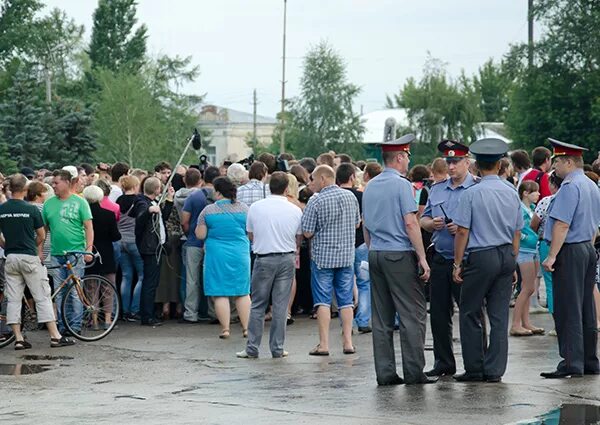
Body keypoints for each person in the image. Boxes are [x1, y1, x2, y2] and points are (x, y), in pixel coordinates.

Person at [362, 134, 434, 386]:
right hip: (399, 253)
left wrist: (374, 250)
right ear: (400, 157)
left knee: (381, 318)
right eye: (407, 157)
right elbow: (410, 222)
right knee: (411, 314)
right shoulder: (402, 186)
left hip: (376, 253)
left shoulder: (370, 186)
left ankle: (385, 373)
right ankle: (414, 372)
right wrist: (422, 257)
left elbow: (366, 227)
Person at [452, 138, 522, 383]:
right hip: (505, 254)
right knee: (500, 315)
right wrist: (512, 260)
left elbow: (462, 232)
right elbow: (516, 231)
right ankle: (495, 370)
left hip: (481, 256)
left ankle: (474, 367)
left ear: (476, 166)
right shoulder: (511, 192)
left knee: (470, 311)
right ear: (501, 164)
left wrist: (457, 263)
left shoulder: (472, 193)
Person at [540, 138, 600, 379]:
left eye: (557, 162)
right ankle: (589, 360)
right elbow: (595, 224)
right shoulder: (590, 185)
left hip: (571, 249)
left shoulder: (569, 186)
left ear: (567, 161)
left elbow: (562, 224)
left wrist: (552, 256)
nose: (555, 168)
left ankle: (571, 362)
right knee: (586, 306)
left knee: (569, 306)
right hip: (587, 247)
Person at [420, 140, 477, 377]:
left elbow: (484, 225)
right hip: (442, 258)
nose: (451, 167)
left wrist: (464, 230)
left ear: (467, 162)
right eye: (448, 162)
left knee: (470, 314)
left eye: (456, 162)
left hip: (467, 260)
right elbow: (422, 219)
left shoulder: (476, 188)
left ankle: (475, 363)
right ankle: (444, 362)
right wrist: (431, 224)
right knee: (440, 315)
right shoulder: (437, 189)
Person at [0, 174, 74, 349]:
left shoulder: (2, 209)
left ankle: (18, 339)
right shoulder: (31, 209)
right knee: (42, 296)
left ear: (10, 189)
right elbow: (41, 235)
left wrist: (8, 245)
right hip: (29, 256)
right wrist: (32, 245)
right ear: (25, 189)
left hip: (10, 257)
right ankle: (55, 336)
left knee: (13, 299)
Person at [236, 172, 302, 359]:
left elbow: (250, 234)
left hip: (264, 257)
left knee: (258, 304)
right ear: (287, 188)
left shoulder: (256, 208)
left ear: (268, 186)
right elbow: (298, 237)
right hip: (286, 257)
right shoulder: (294, 210)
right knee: (280, 306)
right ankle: (277, 348)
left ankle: (252, 348)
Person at [302, 165, 360, 357]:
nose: (310, 183)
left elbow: (307, 232)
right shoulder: (350, 196)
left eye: (313, 179)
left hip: (323, 258)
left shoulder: (316, 201)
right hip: (346, 256)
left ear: (323, 179)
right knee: (346, 301)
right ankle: (348, 342)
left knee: (323, 301)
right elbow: (357, 223)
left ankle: (324, 344)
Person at [196, 177, 250, 339]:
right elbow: (250, 231)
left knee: (220, 293)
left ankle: (225, 329)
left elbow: (200, 234)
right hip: (240, 252)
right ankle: (247, 328)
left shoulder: (208, 211)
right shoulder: (244, 209)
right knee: (242, 292)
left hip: (216, 254)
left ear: (218, 192)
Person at [43, 169, 94, 335]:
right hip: (57, 253)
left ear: (66, 182)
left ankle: (75, 326)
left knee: (74, 291)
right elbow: (43, 230)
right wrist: (40, 251)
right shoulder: (49, 204)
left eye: (56, 183)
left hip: (76, 252)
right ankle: (63, 326)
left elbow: (88, 227)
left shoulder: (80, 202)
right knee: (59, 292)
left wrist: (88, 249)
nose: (54, 186)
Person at [132, 177, 174, 327]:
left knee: (153, 282)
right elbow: (141, 217)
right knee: (150, 283)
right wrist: (149, 210)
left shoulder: (153, 202)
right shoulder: (142, 202)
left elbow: (163, 218)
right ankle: (147, 315)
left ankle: (148, 313)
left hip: (156, 246)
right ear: (156, 190)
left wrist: (169, 200)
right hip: (150, 248)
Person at [336, 163, 371, 333]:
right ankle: (363, 320)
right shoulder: (362, 196)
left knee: (345, 284)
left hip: (342, 245)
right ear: (352, 177)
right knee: (364, 283)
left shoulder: (334, 196)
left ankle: (346, 320)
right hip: (361, 243)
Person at [82, 185, 121, 330]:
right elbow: (116, 236)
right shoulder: (108, 214)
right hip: (106, 254)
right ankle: (107, 319)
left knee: (91, 288)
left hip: (89, 253)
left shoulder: (83, 216)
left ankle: (94, 320)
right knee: (108, 288)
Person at [530, 172, 563, 329]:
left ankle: (557, 324)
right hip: (567, 244)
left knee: (550, 284)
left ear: (552, 184)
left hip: (547, 243)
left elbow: (533, 224)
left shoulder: (546, 201)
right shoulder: (569, 200)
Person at [510, 181, 544, 336]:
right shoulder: (519, 209)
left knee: (529, 288)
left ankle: (526, 321)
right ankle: (516, 323)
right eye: (534, 192)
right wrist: (526, 236)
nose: (538, 194)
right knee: (527, 287)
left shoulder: (531, 209)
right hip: (524, 250)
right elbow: (516, 229)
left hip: (533, 248)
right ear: (525, 193)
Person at [180, 171, 208, 323]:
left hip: (193, 242)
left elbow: (184, 220)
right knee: (210, 277)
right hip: (211, 242)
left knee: (192, 279)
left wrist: (189, 231)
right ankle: (211, 311)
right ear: (200, 180)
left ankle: (191, 313)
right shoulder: (215, 197)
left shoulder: (193, 198)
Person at [116, 175, 144, 321]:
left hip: (121, 242)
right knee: (142, 276)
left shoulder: (118, 201)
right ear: (134, 186)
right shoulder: (138, 201)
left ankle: (125, 310)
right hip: (134, 241)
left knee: (126, 276)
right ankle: (135, 309)